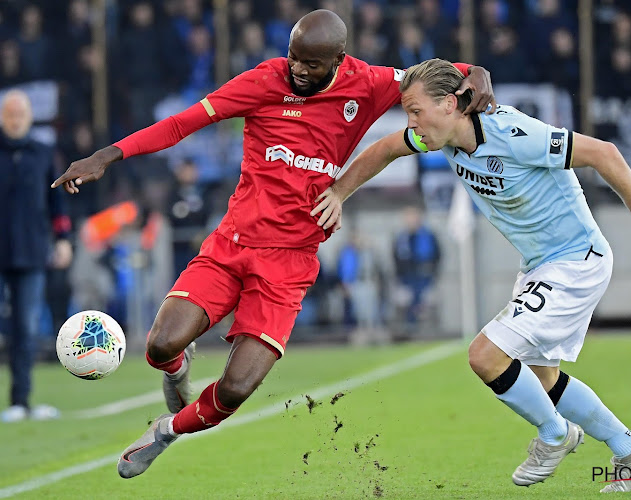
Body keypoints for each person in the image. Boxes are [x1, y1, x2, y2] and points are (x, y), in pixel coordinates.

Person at [51, 11, 496, 479]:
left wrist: (478, 72)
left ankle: (164, 431)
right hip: (233, 242)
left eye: (311, 64)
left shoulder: (370, 83)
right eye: (293, 58)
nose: (298, 70)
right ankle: (178, 371)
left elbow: (444, 75)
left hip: (290, 262)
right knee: (160, 345)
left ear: (339, 60)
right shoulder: (263, 81)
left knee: (235, 390)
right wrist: (106, 156)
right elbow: (181, 124)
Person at [311, 58, 631, 493]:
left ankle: (556, 435)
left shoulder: (512, 133)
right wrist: (338, 191)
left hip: (576, 261)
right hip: (542, 265)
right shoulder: (441, 137)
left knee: (485, 355)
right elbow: (386, 148)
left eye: (415, 110)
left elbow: (604, 153)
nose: (412, 122)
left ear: (450, 104)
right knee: (541, 378)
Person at [0, 90, 72, 423]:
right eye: (9, 114)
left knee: (26, 328)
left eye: (19, 114)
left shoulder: (43, 154)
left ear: (29, 117)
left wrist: (63, 239)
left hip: (30, 251)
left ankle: (21, 400)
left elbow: (57, 203)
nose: (14, 120)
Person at [392, 206, 441, 324]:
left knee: (422, 300)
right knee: (409, 300)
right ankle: (411, 325)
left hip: (424, 274)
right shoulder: (401, 237)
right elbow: (395, 256)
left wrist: (433, 270)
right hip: (407, 276)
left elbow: (437, 254)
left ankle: (422, 325)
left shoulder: (428, 235)